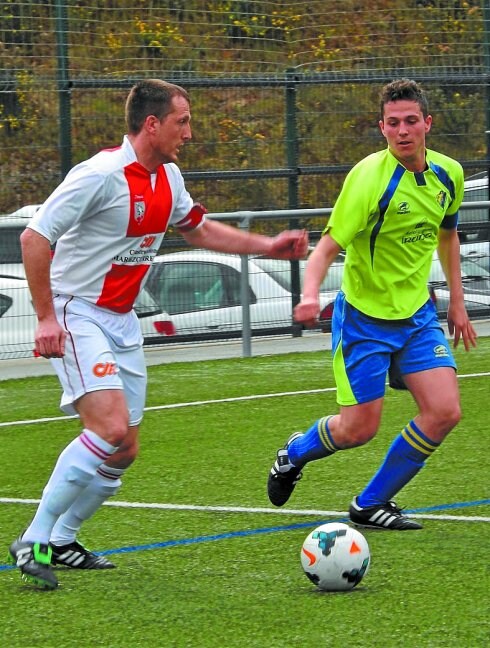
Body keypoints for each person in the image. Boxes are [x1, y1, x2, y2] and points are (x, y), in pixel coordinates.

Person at [9, 78, 309, 590]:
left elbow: (199, 230)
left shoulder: (168, 176)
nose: (188, 133)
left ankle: (64, 539)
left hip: (121, 320)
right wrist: (45, 318)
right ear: (152, 123)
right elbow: (34, 237)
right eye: (182, 121)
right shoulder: (100, 174)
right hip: (77, 310)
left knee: (124, 448)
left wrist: (268, 245)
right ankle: (33, 539)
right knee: (109, 428)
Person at [267, 78, 477, 530]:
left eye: (411, 121)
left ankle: (369, 503)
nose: (403, 131)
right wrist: (307, 296)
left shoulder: (449, 174)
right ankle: (294, 453)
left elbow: (448, 235)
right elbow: (325, 248)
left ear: (427, 124)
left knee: (445, 412)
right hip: (364, 319)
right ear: (381, 128)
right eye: (393, 123)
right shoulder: (367, 179)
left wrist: (457, 303)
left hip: (418, 316)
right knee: (357, 430)